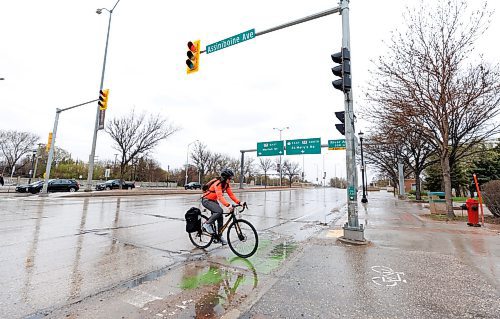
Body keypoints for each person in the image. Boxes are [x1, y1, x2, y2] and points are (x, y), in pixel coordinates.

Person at [201, 168, 245, 245]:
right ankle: (206, 224)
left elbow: (231, 195)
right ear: (225, 177)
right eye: (229, 178)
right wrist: (228, 205)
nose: (230, 180)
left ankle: (219, 237)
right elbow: (220, 196)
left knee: (220, 217)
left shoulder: (226, 185)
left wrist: (239, 202)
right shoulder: (218, 184)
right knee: (219, 211)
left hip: (213, 201)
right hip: (206, 200)